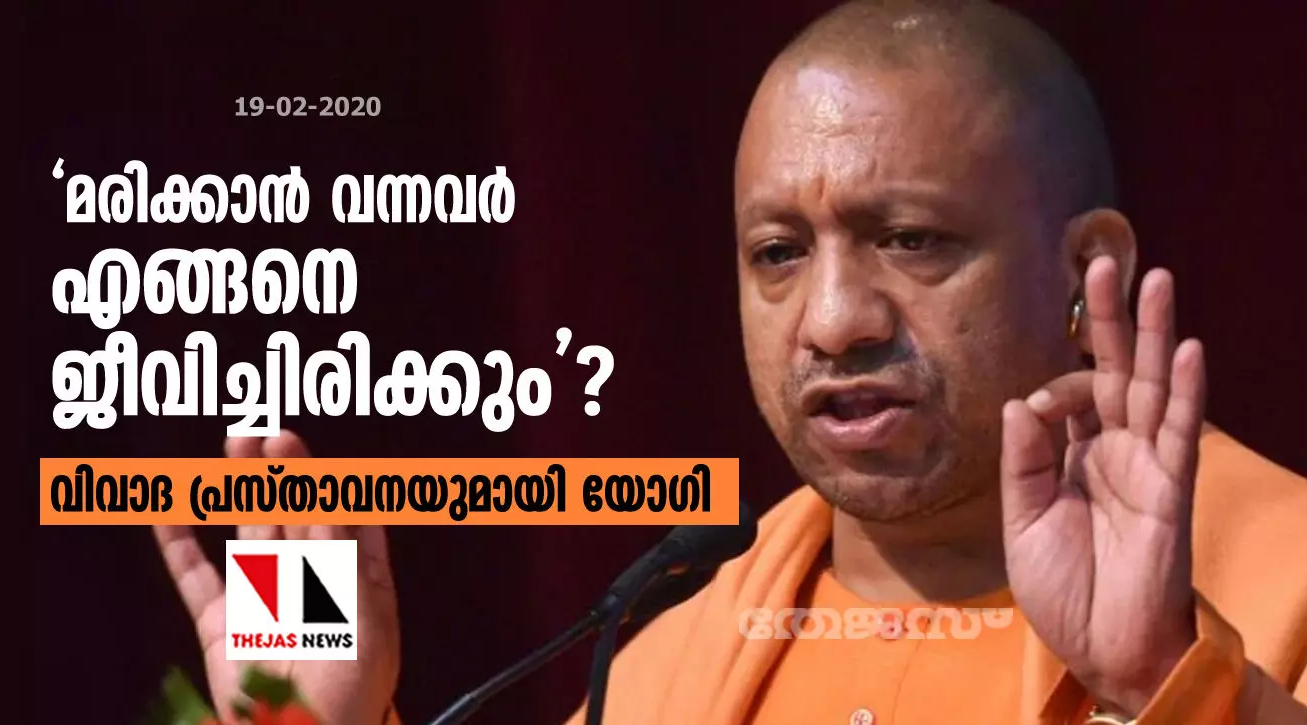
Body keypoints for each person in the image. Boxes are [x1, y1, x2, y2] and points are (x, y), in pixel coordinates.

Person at [153, 1, 1307, 723]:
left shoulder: (1286, 577)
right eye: (777, 253)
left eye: (910, 239)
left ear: (1085, 267)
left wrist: (1167, 684)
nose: (834, 320)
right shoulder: (665, 668)